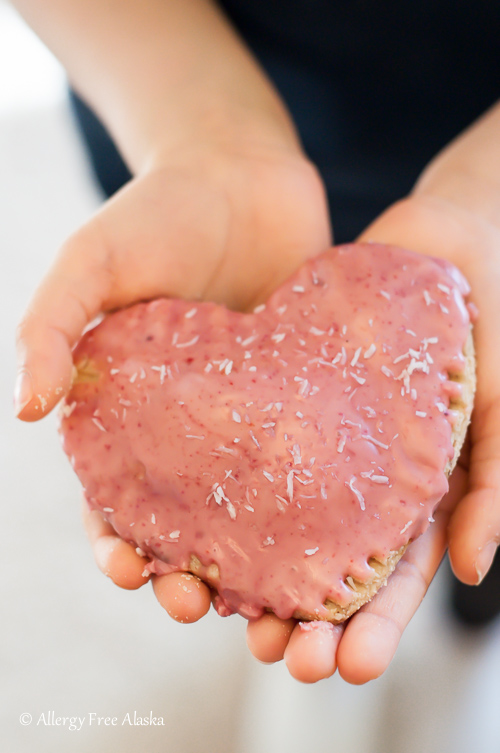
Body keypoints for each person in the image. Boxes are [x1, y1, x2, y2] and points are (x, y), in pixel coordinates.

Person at [12, 0, 500, 684]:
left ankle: (478, 602)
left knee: (484, 494)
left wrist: (488, 195)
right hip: (177, 83)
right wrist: (205, 128)